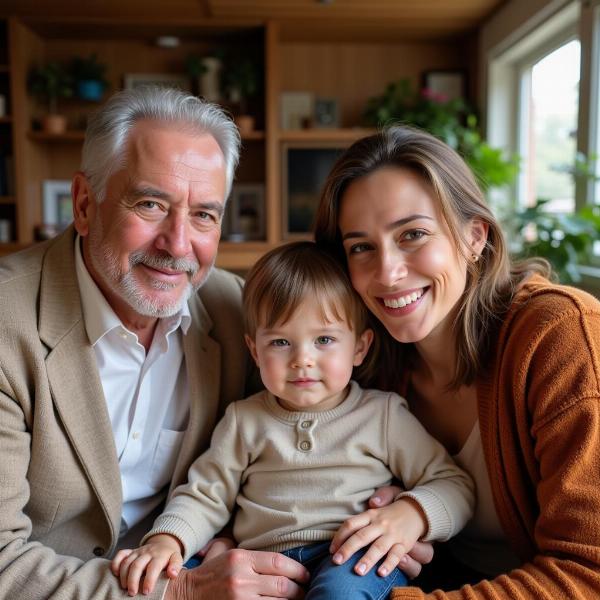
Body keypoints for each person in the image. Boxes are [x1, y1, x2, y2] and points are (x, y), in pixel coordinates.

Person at [0, 86, 313, 600]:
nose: (178, 244)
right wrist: (181, 591)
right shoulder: (8, 325)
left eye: (204, 215)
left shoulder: (240, 313)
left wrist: (391, 507)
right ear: (84, 204)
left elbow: (304, 424)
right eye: (150, 204)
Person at [313, 125, 600, 599]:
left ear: (473, 236)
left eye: (413, 234)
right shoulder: (366, 365)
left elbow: (588, 573)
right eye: (360, 247)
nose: (387, 273)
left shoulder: (560, 336)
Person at [111, 240, 475, 599]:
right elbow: (206, 495)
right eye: (281, 343)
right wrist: (167, 539)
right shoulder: (244, 420)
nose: (302, 359)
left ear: (360, 348)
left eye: (324, 340)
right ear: (254, 350)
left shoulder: (382, 415)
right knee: (167, 580)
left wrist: (412, 514)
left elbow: (453, 484)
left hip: (349, 556)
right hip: (262, 559)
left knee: (340, 593)